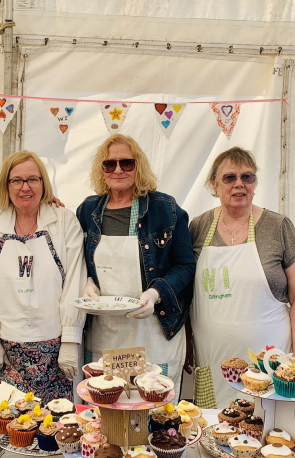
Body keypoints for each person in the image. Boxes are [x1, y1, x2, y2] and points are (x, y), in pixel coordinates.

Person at [188, 147, 295, 407]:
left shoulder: (278, 227)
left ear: (255, 183)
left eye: (247, 177)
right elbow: (188, 293)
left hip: (269, 364)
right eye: (229, 178)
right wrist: (187, 343)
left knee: (268, 436)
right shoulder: (198, 227)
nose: (239, 185)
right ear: (213, 184)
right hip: (212, 361)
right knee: (216, 433)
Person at [77, 135, 195, 398]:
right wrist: (86, 281)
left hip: (153, 327)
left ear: (138, 166)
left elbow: (186, 265)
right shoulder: (88, 211)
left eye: (126, 163)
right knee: (107, 404)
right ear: (102, 170)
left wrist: (156, 294)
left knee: (152, 406)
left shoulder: (165, 209)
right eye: (110, 164)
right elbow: (74, 258)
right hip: (106, 331)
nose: (118, 170)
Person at [0, 151, 85, 400]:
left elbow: (75, 281)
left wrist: (70, 340)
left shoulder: (64, 221)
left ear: (44, 183)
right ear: (6, 185)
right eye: (17, 180)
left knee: (54, 428)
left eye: (33, 179)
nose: (25, 187)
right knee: (7, 426)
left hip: (54, 346)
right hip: (4, 346)